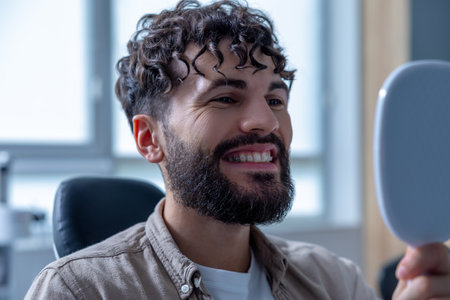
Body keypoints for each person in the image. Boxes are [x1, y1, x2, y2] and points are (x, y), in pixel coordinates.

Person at [26, 0, 450, 299]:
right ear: (149, 139)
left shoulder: (335, 281)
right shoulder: (79, 291)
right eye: (226, 98)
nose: (266, 121)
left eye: (276, 100)